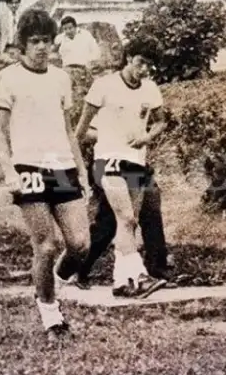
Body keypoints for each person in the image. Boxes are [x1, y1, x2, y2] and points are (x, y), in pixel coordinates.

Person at [0, 9, 90, 336]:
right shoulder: (8, 78)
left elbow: (68, 130)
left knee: (80, 244)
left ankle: (51, 281)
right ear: (22, 44)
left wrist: (81, 170)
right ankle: (50, 312)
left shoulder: (61, 78)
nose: (42, 47)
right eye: (34, 41)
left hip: (62, 166)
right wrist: (8, 170)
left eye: (46, 40)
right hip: (28, 167)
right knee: (46, 245)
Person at [67, 36, 167, 298]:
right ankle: (140, 276)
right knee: (126, 217)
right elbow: (79, 130)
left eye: (149, 65)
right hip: (108, 160)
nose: (144, 69)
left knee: (128, 224)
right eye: (140, 62)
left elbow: (160, 121)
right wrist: (77, 166)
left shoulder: (150, 89)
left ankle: (121, 281)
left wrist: (147, 136)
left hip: (136, 160)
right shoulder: (104, 85)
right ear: (129, 58)